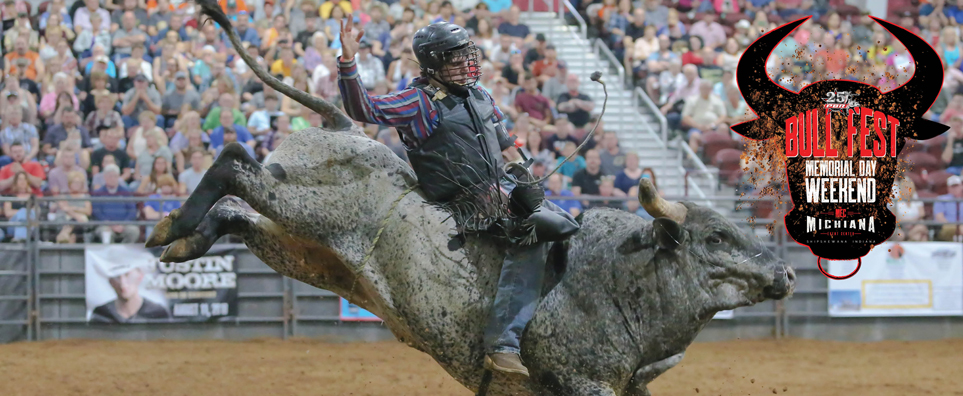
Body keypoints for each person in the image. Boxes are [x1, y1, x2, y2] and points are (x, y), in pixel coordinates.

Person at [337, 20, 579, 376]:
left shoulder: (480, 94)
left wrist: (524, 176)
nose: (467, 62)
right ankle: (503, 344)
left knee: (566, 224)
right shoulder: (418, 101)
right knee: (533, 235)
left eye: (468, 53)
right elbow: (365, 111)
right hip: (462, 201)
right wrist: (348, 61)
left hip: (501, 191)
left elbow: (506, 144)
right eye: (456, 57)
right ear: (433, 63)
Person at [89, 258, 171, 323]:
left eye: (127, 275)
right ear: (111, 282)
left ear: (140, 277)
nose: (122, 283)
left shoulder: (157, 313)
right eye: (117, 277)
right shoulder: (101, 313)